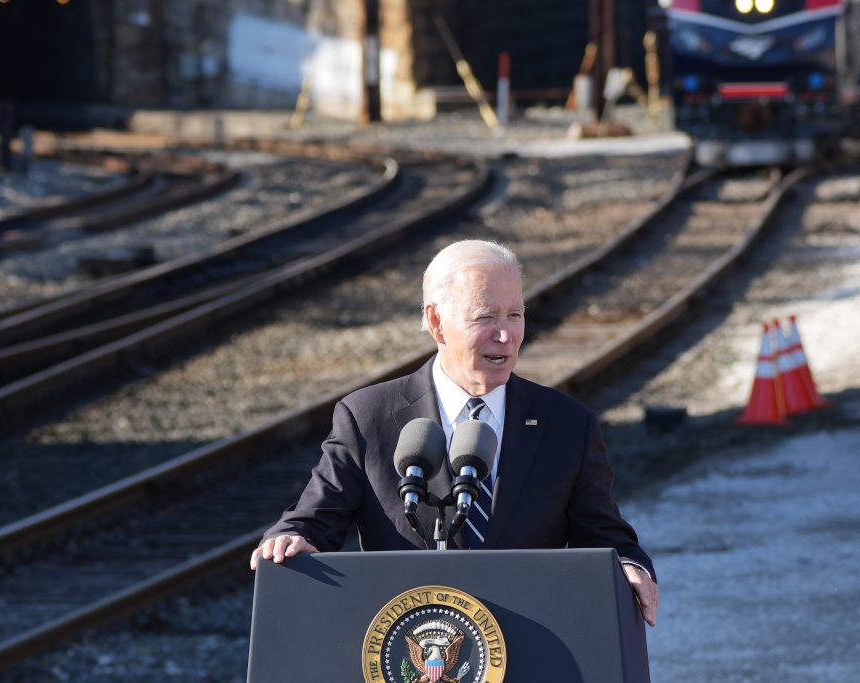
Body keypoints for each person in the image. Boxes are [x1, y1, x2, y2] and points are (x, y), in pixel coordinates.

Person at [250, 239, 659, 626]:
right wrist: (290, 538)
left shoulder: (567, 423)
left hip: (530, 642)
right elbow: (314, 519)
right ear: (436, 321)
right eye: (485, 317)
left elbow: (606, 536)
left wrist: (629, 566)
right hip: (406, 644)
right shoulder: (369, 417)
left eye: (515, 315)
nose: (506, 335)